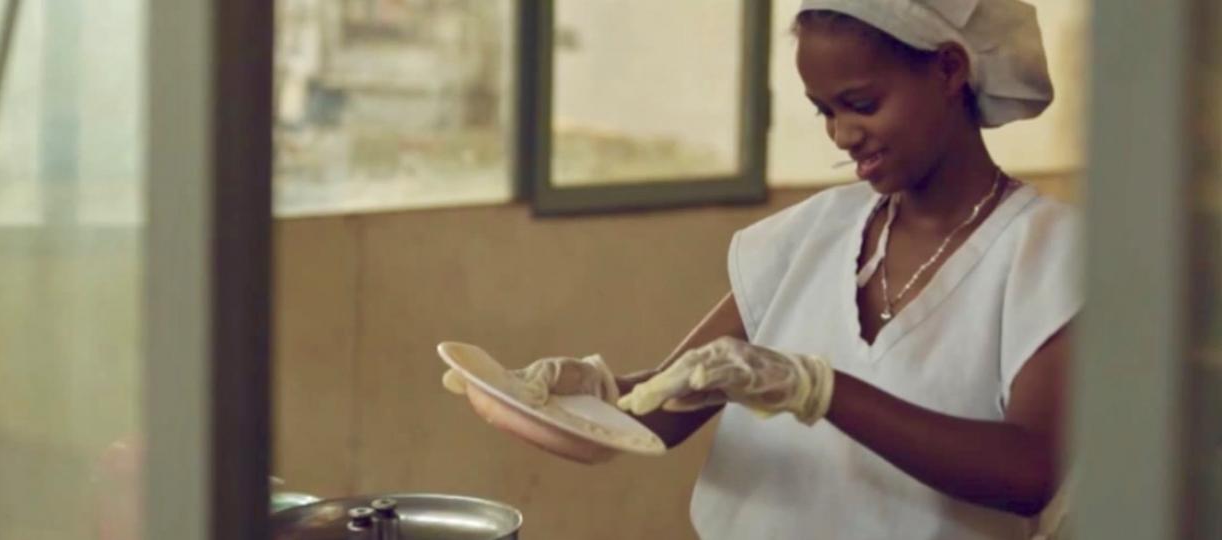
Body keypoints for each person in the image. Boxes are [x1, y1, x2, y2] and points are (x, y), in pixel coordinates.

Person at [445, 0, 1076, 538]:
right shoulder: (811, 235)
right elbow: (666, 408)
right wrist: (587, 394)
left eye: (860, 103)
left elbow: (1029, 472)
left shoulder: (1048, 254)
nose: (842, 135)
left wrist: (820, 390)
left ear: (948, 68)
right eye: (824, 110)